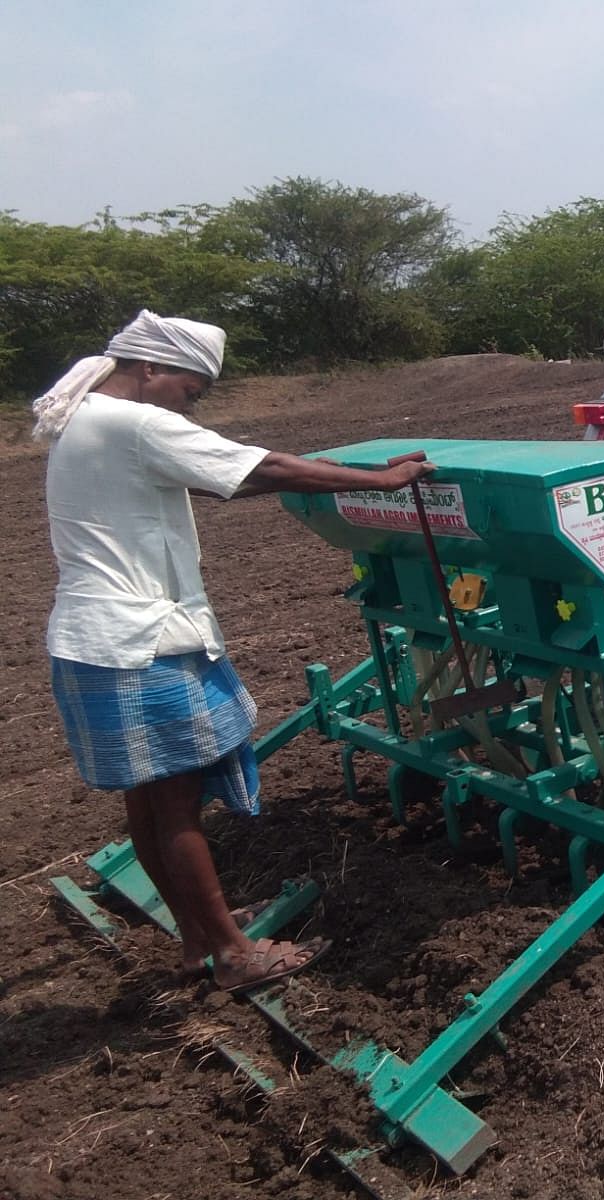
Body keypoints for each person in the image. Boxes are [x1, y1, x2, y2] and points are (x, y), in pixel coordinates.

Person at [35, 310, 434, 993]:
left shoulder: (86, 416)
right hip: (141, 642)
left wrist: (323, 473)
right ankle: (232, 953)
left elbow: (227, 479)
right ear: (152, 368)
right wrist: (380, 481)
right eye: (191, 391)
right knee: (177, 808)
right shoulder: (134, 423)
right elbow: (264, 465)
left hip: (93, 641)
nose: (191, 405)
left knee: (153, 803)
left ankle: (197, 940)